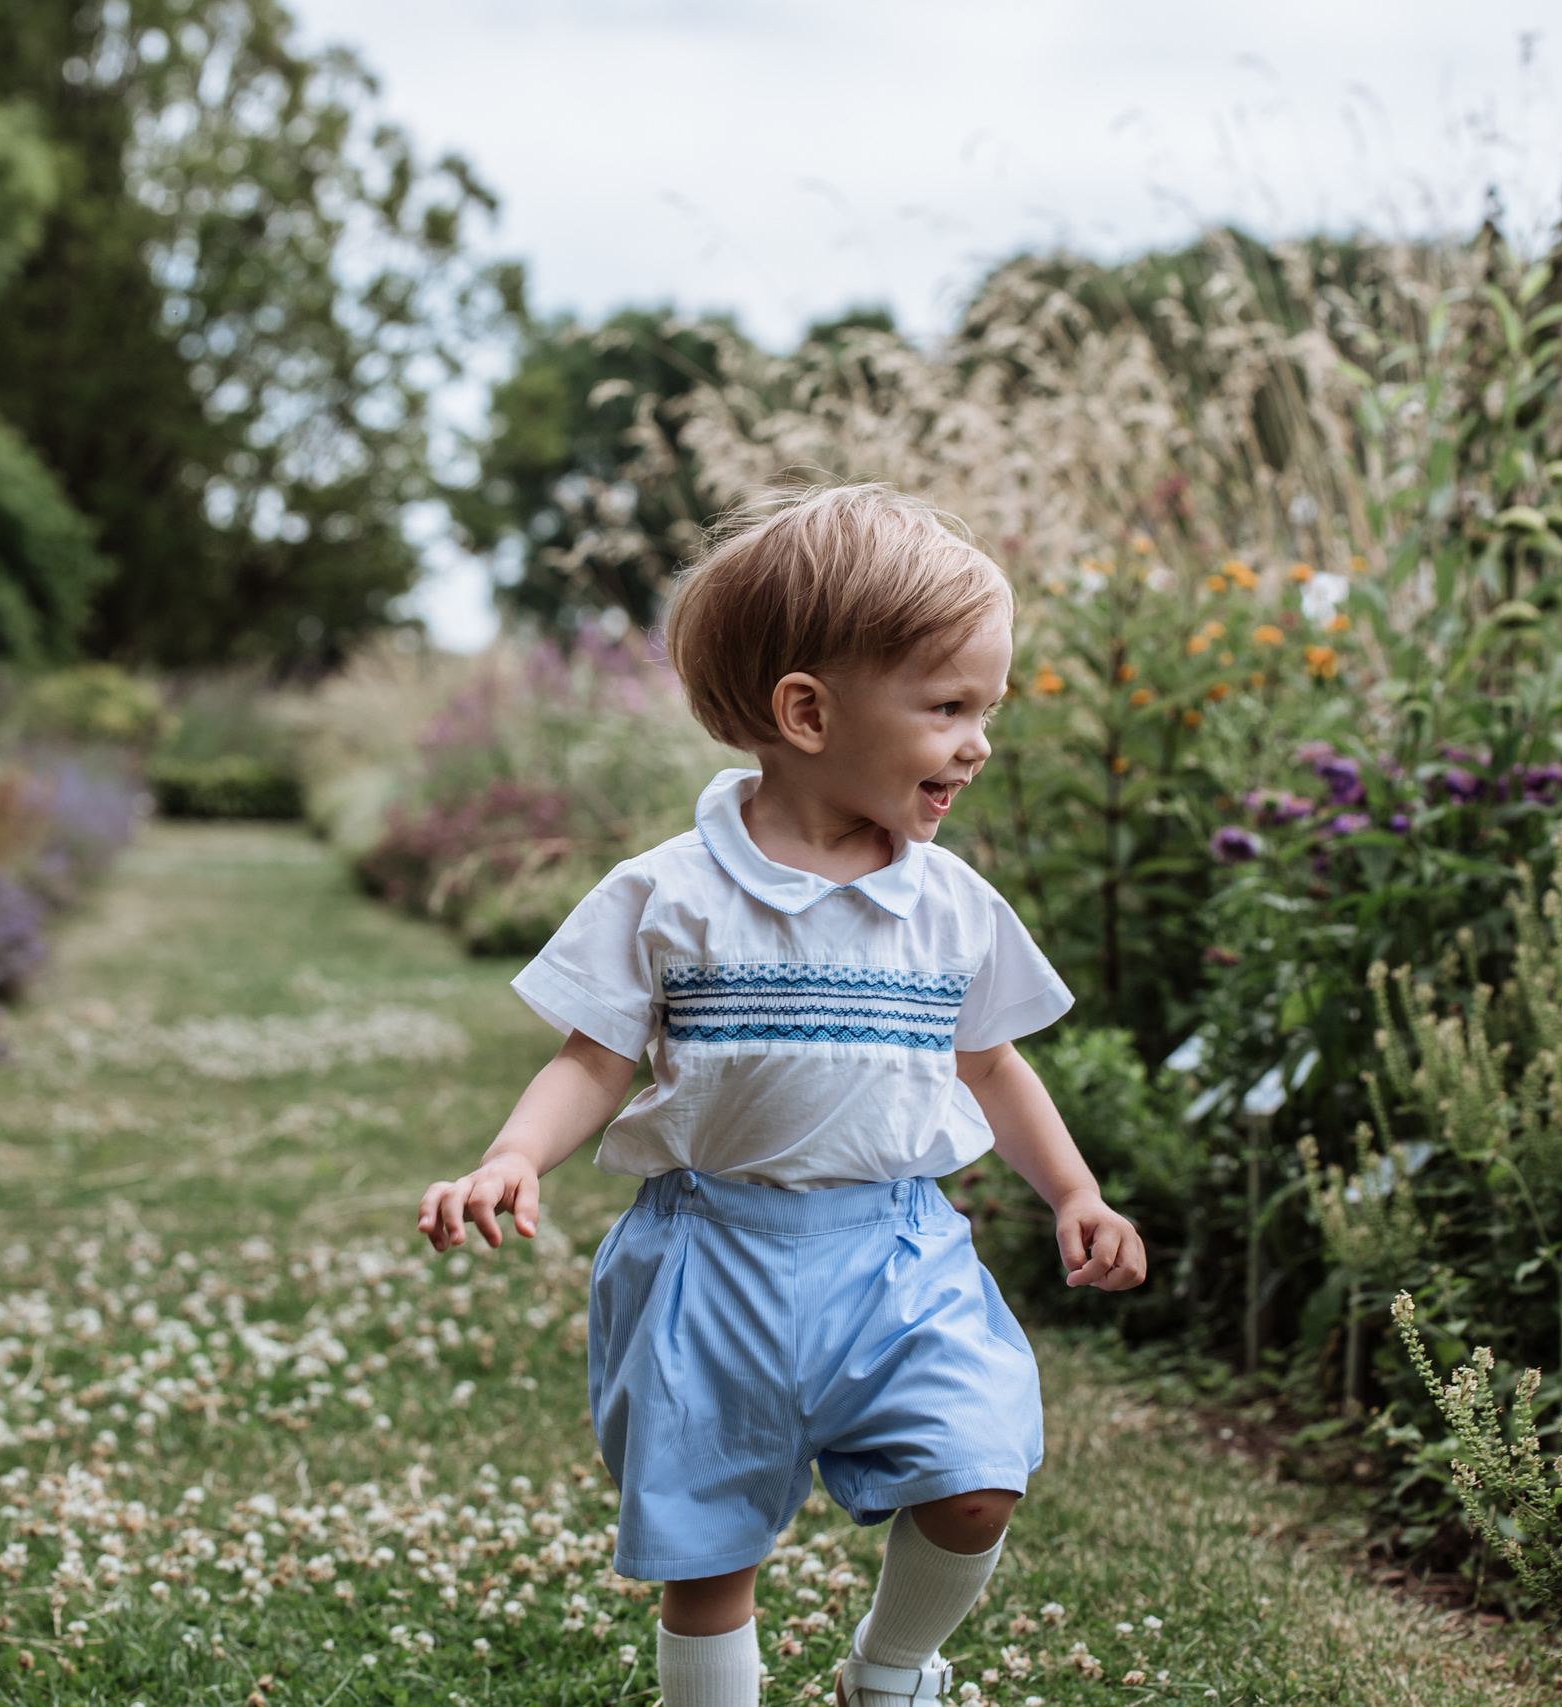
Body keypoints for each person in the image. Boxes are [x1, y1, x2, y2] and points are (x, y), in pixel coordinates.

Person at [416, 484, 1148, 1707]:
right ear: (806, 712)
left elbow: (989, 1063)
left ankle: (892, 1669)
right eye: (948, 708)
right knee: (710, 1556)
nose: (978, 743)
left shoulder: (949, 902)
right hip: (711, 1260)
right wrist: (512, 1159)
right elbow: (592, 1056)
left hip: (900, 1252)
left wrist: (1073, 1190)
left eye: (989, 711)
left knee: (975, 1479)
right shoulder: (671, 894)